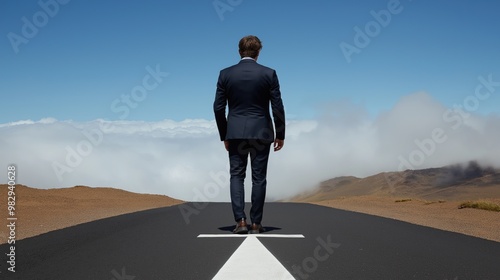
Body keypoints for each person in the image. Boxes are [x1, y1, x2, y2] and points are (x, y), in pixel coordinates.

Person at [213, 35, 286, 234]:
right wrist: (280, 134)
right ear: (258, 52)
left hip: (235, 132)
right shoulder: (269, 73)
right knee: (259, 178)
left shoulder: (225, 74)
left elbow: (218, 108)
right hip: (262, 132)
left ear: (239, 51)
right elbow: (277, 106)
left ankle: (241, 222)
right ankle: (256, 223)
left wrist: (225, 134)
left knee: (236, 175)